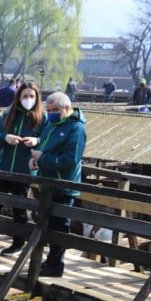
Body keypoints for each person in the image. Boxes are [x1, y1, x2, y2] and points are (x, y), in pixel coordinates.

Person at [0, 81, 46, 257]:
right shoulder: (8, 115)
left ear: (36, 98)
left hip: (24, 170)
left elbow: (47, 140)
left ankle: (18, 244)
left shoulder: (42, 118)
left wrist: (36, 141)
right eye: (25, 96)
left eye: (31, 96)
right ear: (19, 97)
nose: (28, 99)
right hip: (4, 167)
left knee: (19, 209)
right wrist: (6, 137)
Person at [30, 91, 87, 278]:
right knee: (46, 223)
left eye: (55, 110)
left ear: (67, 108)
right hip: (47, 183)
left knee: (60, 226)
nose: (51, 113)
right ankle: (50, 260)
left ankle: (56, 265)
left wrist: (43, 158)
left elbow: (70, 160)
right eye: (49, 110)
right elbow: (43, 147)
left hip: (64, 184)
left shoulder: (76, 128)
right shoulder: (52, 124)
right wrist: (36, 160)